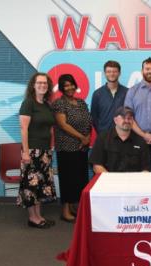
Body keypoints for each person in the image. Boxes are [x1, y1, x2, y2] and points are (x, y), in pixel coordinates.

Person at [17, 72, 57, 229]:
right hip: (32, 151)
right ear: (33, 85)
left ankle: (39, 216)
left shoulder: (47, 104)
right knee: (31, 185)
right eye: (39, 82)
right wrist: (25, 152)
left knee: (40, 185)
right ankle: (33, 218)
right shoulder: (28, 103)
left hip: (45, 152)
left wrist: (51, 147)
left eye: (45, 83)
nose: (42, 85)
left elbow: (50, 128)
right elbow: (23, 129)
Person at [52, 74, 92, 223]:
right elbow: (63, 124)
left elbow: (88, 120)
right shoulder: (59, 103)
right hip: (66, 148)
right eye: (66, 85)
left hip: (82, 148)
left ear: (75, 85)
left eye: (71, 84)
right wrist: (82, 137)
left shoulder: (81, 102)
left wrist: (86, 137)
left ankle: (75, 207)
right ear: (62, 88)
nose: (69, 88)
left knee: (80, 178)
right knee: (68, 179)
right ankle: (65, 210)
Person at [89, 106, 150, 173]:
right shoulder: (102, 139)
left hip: (133, 181)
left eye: (129, 118)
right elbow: (97, 166)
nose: (127, 121)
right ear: (115, 120)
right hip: (108, 181)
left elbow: (146, 168)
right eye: (123, 117)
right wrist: (113, 180)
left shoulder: (140, 142)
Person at [91, 60, 128, 134]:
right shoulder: (97, 94)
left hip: (123, 135)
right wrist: (101, 131)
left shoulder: (127, 92)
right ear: (104, 73)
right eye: (109, 71)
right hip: (103, 136)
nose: (112, 74)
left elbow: (131, 114)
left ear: (119, 73)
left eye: (114, 71)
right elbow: (94, 117)